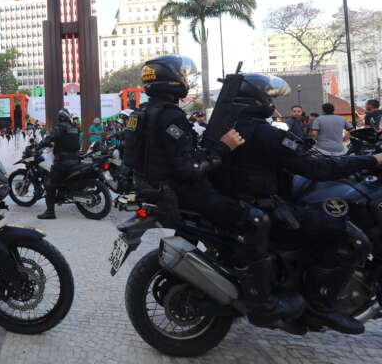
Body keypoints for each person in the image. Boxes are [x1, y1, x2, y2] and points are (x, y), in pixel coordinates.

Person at [120, 55, 303, 326]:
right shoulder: (170, 115)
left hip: (153, 190)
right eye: (182, 76)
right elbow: (189, 168)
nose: (185, 80)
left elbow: (136, 158)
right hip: (181, 192)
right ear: (172, 81)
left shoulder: (141, 113)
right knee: (255, 220)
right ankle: (261, 300)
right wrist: (224, 146)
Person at [212, 73, 382, 334]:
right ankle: (319, 304)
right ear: (259, 100)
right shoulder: (268, 134)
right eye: (269, 97)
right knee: (345, 235)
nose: (272, 102)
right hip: (265, 208)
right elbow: (317, 168)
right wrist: (371, 161)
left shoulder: (225, 129)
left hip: (240, 204)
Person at [35, 107, 80, 220]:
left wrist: (38, 146)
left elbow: (48, 138)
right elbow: (67, 141)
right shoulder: (74, 128)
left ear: (60, 118)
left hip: (64, 161)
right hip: (76, 159)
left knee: (50, 184)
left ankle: (50, 212)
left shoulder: (59, 127)